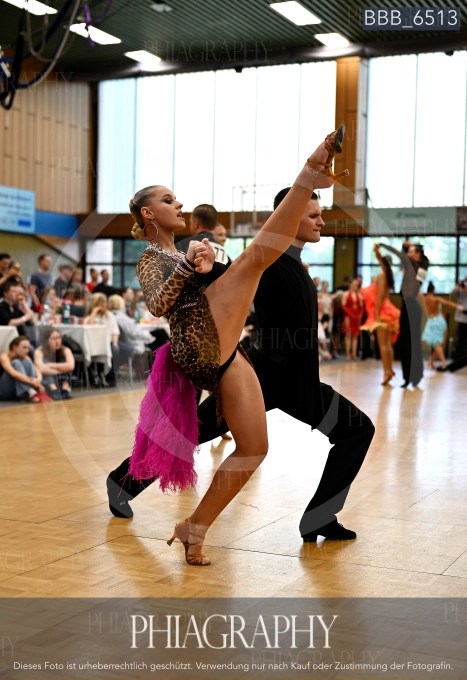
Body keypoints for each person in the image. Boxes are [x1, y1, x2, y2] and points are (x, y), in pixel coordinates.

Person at [107, 128, 359, 567]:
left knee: (253, 448)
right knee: (255, 257)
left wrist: (204, 263)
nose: (179, 204)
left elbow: (209, 274)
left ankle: (194, 527)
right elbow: (158, 304)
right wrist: (193, 265)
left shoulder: (185, 250)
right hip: (199, 347)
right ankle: (309, 170)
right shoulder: (152, 257)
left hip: (228, 354)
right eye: (168, 200)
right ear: (148, 213)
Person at [379, 241, 429, 388]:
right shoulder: (411, 265)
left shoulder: (421, 267)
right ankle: (407, 377)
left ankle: (415, 376)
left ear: (418, 254)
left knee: (413, 342)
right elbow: (401, 254)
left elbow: (401, 254)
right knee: (405, 342)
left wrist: (383, 245)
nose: (408, 254)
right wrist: (405, 246)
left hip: (413, 307)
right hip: (406, 306)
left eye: (411, 251)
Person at [361, 244, 400, 385]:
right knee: (387, 344)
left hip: (382, 311)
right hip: (387, 309)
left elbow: (381, 294)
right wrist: (377, 251)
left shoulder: (383, 275)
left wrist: (376, 311)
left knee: (382, 345)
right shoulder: (387, 273)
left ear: (384, 263)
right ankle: (389, 370)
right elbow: (380, 259)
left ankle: (387, 372)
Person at [422, 282, 463, 369]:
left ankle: (431, 361)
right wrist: (458, 306)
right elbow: (447, 303)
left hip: (431, 321)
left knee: (437, 343)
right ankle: (443, 361)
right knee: (438, 343)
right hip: (438, 321)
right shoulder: (436, 299)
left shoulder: (424, 299)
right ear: (433, 291)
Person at [0, 335, 51, 403]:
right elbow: (13, 373)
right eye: (24, 347)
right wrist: (32, 382)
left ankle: (31, 392)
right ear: (15, 347)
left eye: (28, 348)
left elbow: (37, 370)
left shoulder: (25, 357)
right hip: (4, 390)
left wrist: (38, 380)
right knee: (16, 362)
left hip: (17, 390)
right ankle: (30, 392)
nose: (27, 350)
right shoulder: (4, 357)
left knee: (27, 361)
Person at [34, 327, 75, 400]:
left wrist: (50, 365)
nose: (57, 341)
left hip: (61, 377)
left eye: (59, 338)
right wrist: (59, 371)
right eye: (54, 339)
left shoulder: (65, 349)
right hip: (47, 380)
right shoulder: (39, 351)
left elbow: (71, 366)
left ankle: (65, 388)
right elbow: (40, 368)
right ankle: (54, 389)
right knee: (44, 365)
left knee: (63, 361)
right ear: (46, 341)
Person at [341, 278, 364, 360]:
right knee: (348, 335)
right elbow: (343, 306)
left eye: (356, 285)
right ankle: (348, 354)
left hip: (357, 316)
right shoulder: (346, 294)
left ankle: (354, 354)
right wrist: (350, 314)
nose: (355, 286)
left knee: (355, 336)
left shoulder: (359, 295)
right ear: (350, 285)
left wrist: (360, 315)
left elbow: (361, 307)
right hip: (348, 316)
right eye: (354, 284)